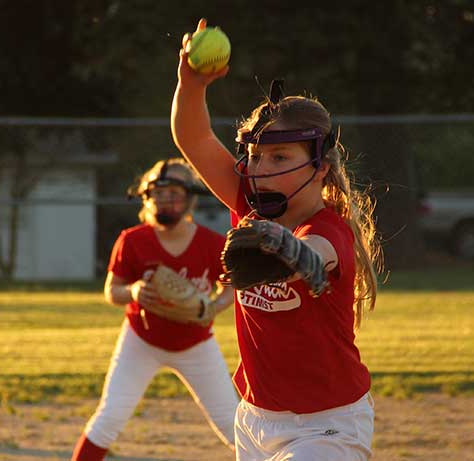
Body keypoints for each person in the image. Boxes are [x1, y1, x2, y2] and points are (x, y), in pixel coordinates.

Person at [171, 19, 382, 461]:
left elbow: (320, 255)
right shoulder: (249, 203)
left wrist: (293, 253)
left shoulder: (328, 229)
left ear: (319, 167)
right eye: (256, 155)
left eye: (281, 156)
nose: (262, 168)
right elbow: (194, 137)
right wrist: (190, 85)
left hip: (328, 425)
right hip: (253, 420)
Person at [71, 158, 238, 461]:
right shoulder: (132, 240)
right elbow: (112, 290)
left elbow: (231, 286)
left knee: (233, 426)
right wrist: (133, 291)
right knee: (109, 418)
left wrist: (215, 307)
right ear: (147, 197)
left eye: (174, 193)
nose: (166, 201)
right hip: (141, 341)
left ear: (189, 198)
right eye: (159, 194)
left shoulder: (211, 244)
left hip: (196, 344)